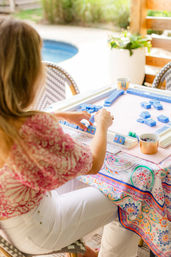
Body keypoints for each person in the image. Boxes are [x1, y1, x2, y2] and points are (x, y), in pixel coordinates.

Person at [0, 18, 139, 257]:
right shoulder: (33, 128)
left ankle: (82, 250)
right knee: (129, 197)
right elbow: (94, 163)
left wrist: (59, 114)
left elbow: (17, 117)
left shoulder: (11, 120)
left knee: (76, 182)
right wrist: (102, 126)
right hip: (37, 229)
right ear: (29, 73)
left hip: (8, 226)